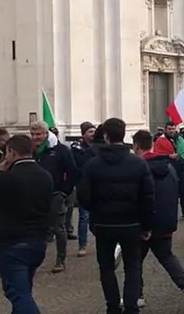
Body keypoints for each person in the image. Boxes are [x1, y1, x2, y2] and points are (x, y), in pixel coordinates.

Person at [77, 118, 155, 314]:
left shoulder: (93, 165)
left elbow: (83, 196)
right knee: (133, 267)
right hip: (132, 223)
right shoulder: (138, 163)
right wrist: (146, 225)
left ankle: (112, 306)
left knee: (106, 268)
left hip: (103, 224)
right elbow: (148, 197)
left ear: (105, 136)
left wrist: (95, 216)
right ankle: (131, 307)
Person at [0, 134, 53, 313]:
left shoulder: (6, 177)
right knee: (23, 289)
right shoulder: (45, 175)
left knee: (17, 292)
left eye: (6, 153)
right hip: (37, 240)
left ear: (12, 152)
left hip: (11, 241)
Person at [131, 131, 184, 309]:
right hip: (167, 220)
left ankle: (137, 296)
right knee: (166, 255)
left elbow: (140, 198)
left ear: (136, 146)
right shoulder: (168, 166)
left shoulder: (139, 167)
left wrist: (142, 225)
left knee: (134, 259)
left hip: (146, 223)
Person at [31, 121, 77, 274]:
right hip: (35, 196)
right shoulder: (31, 150)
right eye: (33, 134)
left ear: (46, 133)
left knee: (59, 228)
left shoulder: (60, 150)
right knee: (36, 229)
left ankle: (60, 259)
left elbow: (72, 171)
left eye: (38, 134)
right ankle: (34, 259)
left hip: (55, 194)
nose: (35, 137)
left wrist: (64, 192)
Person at [70, 122, 97, 257]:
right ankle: (82, 245)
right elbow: (75, 166)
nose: (93, 134)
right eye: (90, 131)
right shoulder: (77, 147)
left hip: (99, 185)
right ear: (84, 133)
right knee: (84, 216)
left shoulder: (100, 146)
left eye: (94, 131)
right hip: (84, 185)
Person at [161, 122, 184, 220]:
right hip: (168, 168)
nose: (171, 131)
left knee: (183, 191)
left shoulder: (180, 139)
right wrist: (168, 156)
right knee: (170, 192)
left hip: (181, 168)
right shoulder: (161, 140)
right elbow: (158, 153)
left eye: (173, 128)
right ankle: (170, 214)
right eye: (169, 129)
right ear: (165, 129)